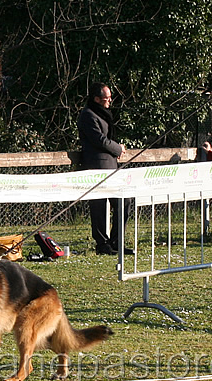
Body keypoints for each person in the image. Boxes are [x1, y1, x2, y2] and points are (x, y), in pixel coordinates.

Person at [77, 82, 132, 255]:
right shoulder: (87, 115)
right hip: (96, 166)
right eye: (106, 98)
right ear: (96, 99)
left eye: (110, 98)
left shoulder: (103, 114)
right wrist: (118, 148)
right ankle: (102, 244)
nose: (109, 101)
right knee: (99, 207)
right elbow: (99, 140)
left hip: (111, 166)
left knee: (124, 201)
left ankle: (116, 241)